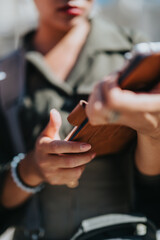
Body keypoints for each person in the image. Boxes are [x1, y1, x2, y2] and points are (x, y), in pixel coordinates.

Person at [0, 0, 159, 239]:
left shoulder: (137, 54)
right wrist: (31, 169)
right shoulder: (5, 76)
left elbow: (152, 184)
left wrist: (152, 131)